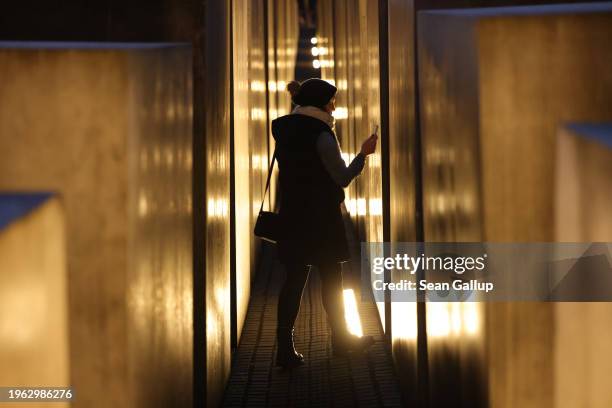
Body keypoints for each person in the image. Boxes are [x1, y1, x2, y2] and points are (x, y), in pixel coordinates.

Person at [271, 78, 378, 368]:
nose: (335, 104)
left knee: (293, 280)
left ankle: (284, 348)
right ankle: (342, 340)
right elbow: (341, 177)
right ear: (322, 102)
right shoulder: (321, 134)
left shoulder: (284, 128)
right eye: (333, 100)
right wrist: (363, 155)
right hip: (320, 217)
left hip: (293, 214)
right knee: (332, 279)